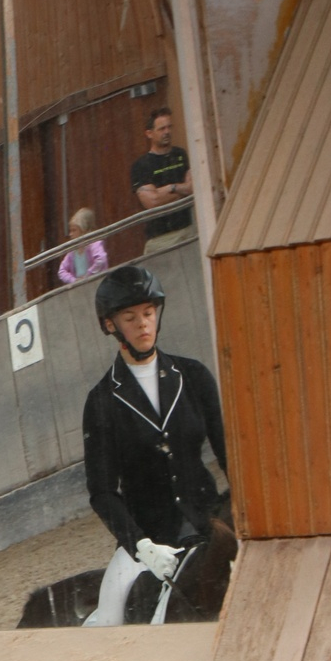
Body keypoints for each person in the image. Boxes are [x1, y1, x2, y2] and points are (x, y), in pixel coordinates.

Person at [81, 263, 227, 627]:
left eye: (148, 313)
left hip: (209, 523)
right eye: (130, 317)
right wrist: (141, 545)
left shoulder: (193, 376)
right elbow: (102, 491)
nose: (144, 324)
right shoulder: (102, 401)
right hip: (148, 539)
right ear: (110, 325)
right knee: (110, 620)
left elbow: (229, 453)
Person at [130, 107, 193, 250]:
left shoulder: (180, 155)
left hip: (187, 230)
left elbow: (192, 187)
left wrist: (163, 192)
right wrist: (177, 188)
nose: (167, 132)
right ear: (149, 133)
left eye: (169, 127)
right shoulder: (141, 165)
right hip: (160, 238)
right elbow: (152, 201)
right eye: (161, 129)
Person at [57, 208, 108, 285]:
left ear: (83, 230)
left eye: (74, 230)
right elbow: (62, 271)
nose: (70, 234)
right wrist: (73, 280)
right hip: (80, 287)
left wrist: (88, 275)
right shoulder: (72, 251)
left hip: (96, 283)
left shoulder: (94, 245)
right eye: (70, 231)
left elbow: (101, 260)